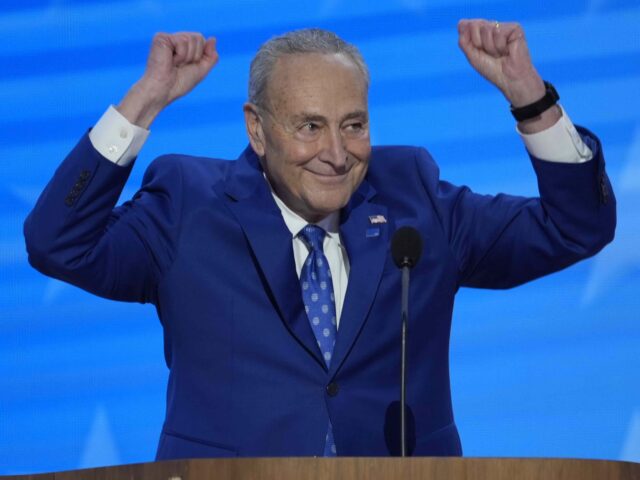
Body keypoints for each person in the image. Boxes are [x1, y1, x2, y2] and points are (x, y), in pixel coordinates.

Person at [24, 20, 615, 458]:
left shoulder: (413, 195)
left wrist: (530, 99)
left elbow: (575, 227)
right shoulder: (188, 204)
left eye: (353, 126)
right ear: (257, 128)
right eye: (310, 127)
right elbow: (58, 243)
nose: (336, 154)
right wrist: (144, 101)